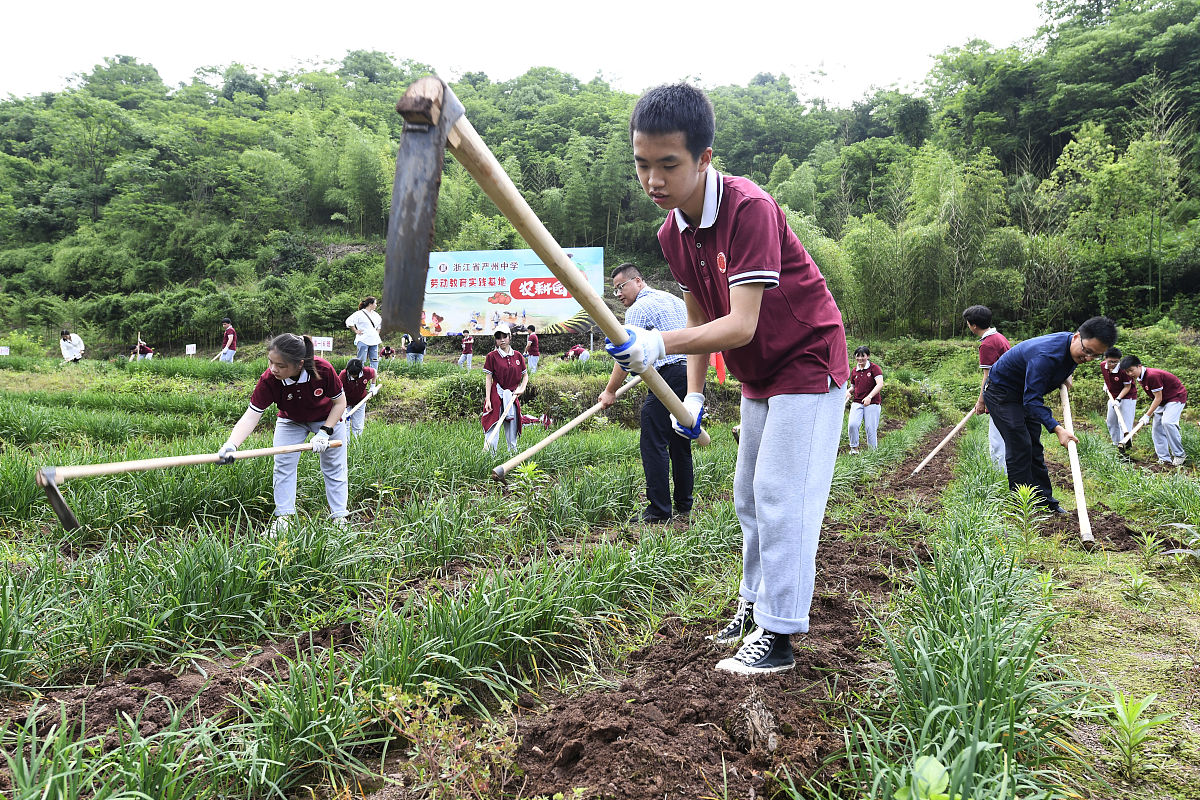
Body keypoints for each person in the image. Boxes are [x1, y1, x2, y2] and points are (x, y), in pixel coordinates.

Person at [606, 84, 849, 675]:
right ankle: (754, 607)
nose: (654, 180)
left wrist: (653, 344)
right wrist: (692, 392)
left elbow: (738, 324)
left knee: (782, 496)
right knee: (747, 496)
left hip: (808, 361)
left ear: (704, 159)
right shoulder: (673, 232)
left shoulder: (748, 210)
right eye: (643, 164)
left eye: (669, 165)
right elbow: (697, 315)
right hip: (758, 375)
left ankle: (780, 634)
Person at [217, 333, 349, 534]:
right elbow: (252, 415)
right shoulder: (269, 379)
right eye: (271, 362)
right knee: (283, 466)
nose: (273, 369)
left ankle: (339, 517)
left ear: (299, 364)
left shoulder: (322, 369)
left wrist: (324, 432)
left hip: (327, 417)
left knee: (334, 467)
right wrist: (231, 444)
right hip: (291, 420)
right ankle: (284, 519)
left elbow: (340, 403)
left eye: (281, 365)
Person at [983, 317, 1117, 514]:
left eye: (1095, 356)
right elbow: (1032, 400)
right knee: (1021, 445)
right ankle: (1024, 507)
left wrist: (1066, 372)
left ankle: (1046, 502)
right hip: (1002, 394)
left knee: (1034, 448)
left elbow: (1060, 365)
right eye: (1087, 351)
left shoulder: (1071, 346)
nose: (1088, 358)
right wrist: (1057, 428)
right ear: (1077, 337)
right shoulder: (1045, 355)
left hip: (1024, 392)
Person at [599, 263, 694, 524]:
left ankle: (658, 510)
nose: (618, 293)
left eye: (622, 286)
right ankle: (684, 506)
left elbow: (626, 355)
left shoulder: (639, 309)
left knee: (653, 442)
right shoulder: (674, 300)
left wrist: (610, 391)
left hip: (670, 375)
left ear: (638, 281)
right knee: (679, 441)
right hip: (692, 375)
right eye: (615, 289)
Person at [962, 305, 1010, 471]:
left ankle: (1000, 479)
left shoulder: (988, 344)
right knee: (1005, 440)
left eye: (968, 323)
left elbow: (988, 376)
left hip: (1001, 398)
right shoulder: (999, 337)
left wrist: (981, 401)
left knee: (997, 443)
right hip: (1008, 395)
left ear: (973, 325)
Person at [1118, 355, 1188, 466]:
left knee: (1168, 422)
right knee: (1157, 428)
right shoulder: (1140, 377)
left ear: (1139, 366)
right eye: (1127, 372)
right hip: (1164, 400)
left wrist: (1147, 415)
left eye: (1131, 370)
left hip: (1176, 397)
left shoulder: (1151, 376)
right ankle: (1164, 459)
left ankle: (1179, 454)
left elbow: (1158, 397)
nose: (1130, 374)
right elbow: (1158, 398)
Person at [482, 325, 529, 452]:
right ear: (495, 340)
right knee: (492, 425)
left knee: (512, 427)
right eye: (498, 338)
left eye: (504, 337)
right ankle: (489, 456)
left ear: (510, 337)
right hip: (496, 395)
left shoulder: (518, 356)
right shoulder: (492, 356)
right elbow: (488, 378)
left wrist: (522, 388)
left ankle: (512, 456)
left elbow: (525, 375)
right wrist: (488, 400)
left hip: (512, 396)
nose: (502, 340)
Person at [846, 345, 882, 453]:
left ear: (868, 356)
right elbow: (853, 386)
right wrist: (848, 392)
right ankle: (854, 449)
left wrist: (869, 397)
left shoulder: (874, 368)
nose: (860, 359)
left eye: (863, 356)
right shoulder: (854, 371)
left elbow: (880, 384)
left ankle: (872, 452)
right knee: (852, 424)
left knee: (870, 428)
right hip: (857, 401)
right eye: (858, 356)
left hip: (872, 402)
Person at [1101, 347, 1137, 452]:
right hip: (1113, 396)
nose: (1113, 364)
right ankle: (1115, 443)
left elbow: (1127, 387)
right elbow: (1106, 377)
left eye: (1116, 362)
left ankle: (1124, 445)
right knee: (1111, 421)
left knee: (1125, 423)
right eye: (1110, 361)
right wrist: (1106, 384)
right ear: (1105, 358)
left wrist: (1118, 399)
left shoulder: (1123, 370)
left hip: (1127, 397)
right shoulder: (1103, 365)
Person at [339, 357, 378, 438]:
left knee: (358, 426)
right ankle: (347, 444)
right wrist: (342, 406)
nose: (353, 376)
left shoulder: (366, 372)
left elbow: (374, 372)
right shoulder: (343, 375)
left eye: (355, 375)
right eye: (351, 374)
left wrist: (373, 386)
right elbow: (339, 391)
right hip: (346, 402)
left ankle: (356, 444)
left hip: (360, 401)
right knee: (345, 424)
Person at [346, 296, 382, 370]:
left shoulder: (376, 315)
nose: (376, 305)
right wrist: (355, 330)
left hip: (374, 340)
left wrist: (377, 333)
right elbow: (349, 321)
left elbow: (380, 325)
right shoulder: (359, 314)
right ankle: (360, 375)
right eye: (375, 303)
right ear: (370, 304)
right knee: (361, 360)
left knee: (374, 360)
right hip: (363, 339)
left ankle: (373, 377)